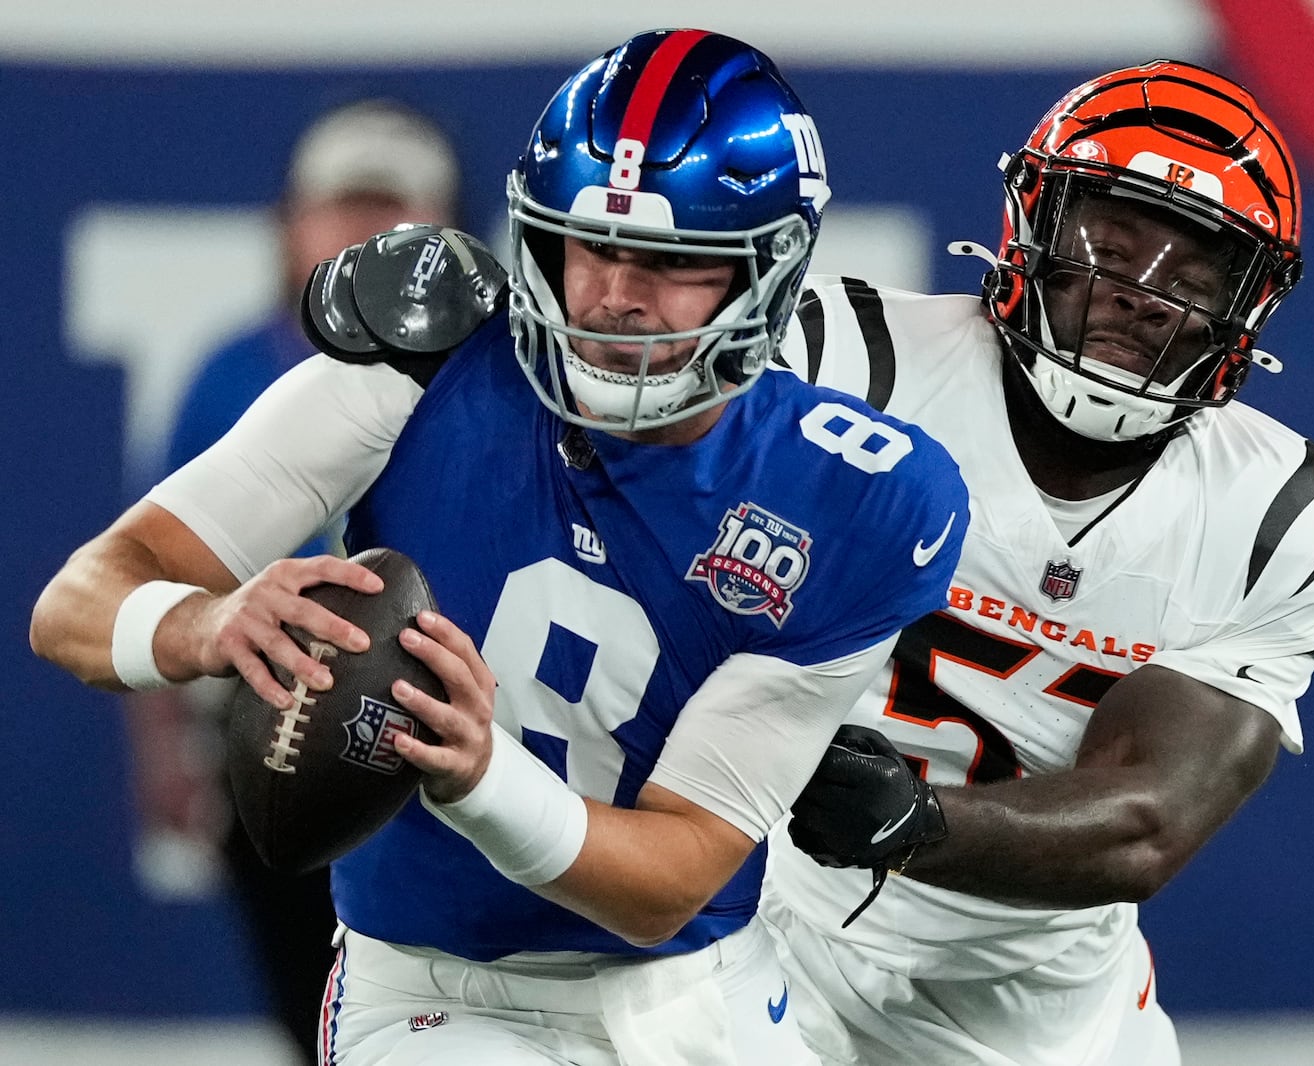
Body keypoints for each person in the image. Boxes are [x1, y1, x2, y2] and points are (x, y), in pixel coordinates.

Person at [31, 28, 968, 1066]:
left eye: (671, 260)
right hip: (438, 989)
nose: (616, 294)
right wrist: (205, 619)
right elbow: (75, 600)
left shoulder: (853, 494)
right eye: (591, 245)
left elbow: (670, 879)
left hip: (703, 988)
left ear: (771, 272)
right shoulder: (413, 370)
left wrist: (480, 776)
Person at [760, 60, 1314, 1065]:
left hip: (1042, 1007)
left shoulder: (1286, 513)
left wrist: (910, 821)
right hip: (760, 934)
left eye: (1192, 276)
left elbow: (1145, 823)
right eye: (1111, 243)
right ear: (1029, 228)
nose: (1141, 295)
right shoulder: (846, 358)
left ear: (1249, 307)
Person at [120, 96, 463, 1066]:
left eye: (394, 212)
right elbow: (142, 576)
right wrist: (161, 748)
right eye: (345, 208)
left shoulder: (487, 376)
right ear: (291, 227)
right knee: (313, 1016)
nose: (367, 235)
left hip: (441, 731)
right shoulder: (232, 374)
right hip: (263, 728)